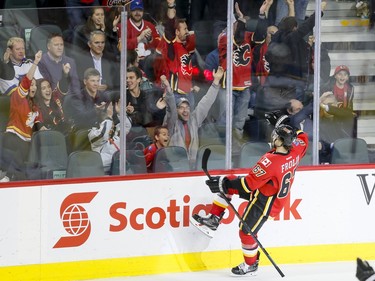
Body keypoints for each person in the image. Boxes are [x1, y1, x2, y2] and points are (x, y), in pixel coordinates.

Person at [190, 116, 308, 276]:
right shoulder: (296, 151)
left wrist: (222, 185)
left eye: (276, 136)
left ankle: (250, 264)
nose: (273, 137)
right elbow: (303, 137)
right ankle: (214, 219)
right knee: (230, 181)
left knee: (245, 231)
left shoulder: (270, 161)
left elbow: (248, 185)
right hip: (267, 191)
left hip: (266, 202)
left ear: (280, 141)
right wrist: (287, 126)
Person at [216, 1, 272, 151]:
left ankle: (235, 150)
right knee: (224, 120)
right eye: (240, 23)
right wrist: (240, 18)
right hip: (228, 85)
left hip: (244, 86)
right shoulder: (224, 38)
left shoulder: (246, 35)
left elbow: (260, 36)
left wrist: (261, 15)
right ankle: (221, 149)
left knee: (239, 121)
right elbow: (238, 38)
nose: (244, 25)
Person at [162, 66, 224, 168]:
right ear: (176, 110)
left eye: (187, 107)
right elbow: (170, 110)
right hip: (176, 167)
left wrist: (216, 81)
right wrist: (169, 90)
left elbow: (206, 102)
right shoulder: (171, 123)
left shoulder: (193, 120)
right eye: (181, 108)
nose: (185, 110)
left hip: (193, 166)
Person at [1, 51, 46, 181]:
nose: (33, 87)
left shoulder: (36, 107)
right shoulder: (18, 97)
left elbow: (38, 124)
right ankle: (8, 176)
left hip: (26, 144)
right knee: (19, 144)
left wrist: (42, 129)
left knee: (32, 147)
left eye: (35, 85)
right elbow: (26, 81)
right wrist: (35, 63)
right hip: (13, 138)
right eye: (31, 84)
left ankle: (12, 177)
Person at [88, 91, 132, 174]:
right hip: (102, 172)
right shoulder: (92, 131)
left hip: (118, 168)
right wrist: (108, 117)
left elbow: (126, 128)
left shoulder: (114, 128)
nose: (109, 108)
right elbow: (102, 135)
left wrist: (121, 113)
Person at [319, 65, 357, 146]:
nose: (342, 77)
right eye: (340, 74)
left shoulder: (351, 88)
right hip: (328, 114)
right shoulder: (327, 86)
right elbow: (323, 102)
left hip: (341, 112)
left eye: (345, 74)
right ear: (335, 76)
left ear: (347, 77)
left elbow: (349, 104)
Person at [34, 63, 72, 135]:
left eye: (48, 86)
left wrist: (65, 74)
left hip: (68, 132)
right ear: (38, 91)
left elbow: (63, 87)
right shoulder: (36, 107)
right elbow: (38, 124)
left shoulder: (55, 97)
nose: (48, 90)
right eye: (43, 88)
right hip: (53, 137)